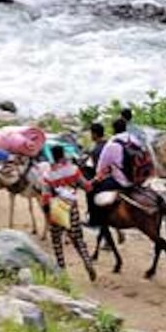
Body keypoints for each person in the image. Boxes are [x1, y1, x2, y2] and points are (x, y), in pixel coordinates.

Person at [40, 145, 97, 281]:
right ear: (63, 155)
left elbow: (45, 198)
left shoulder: (48, 175)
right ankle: (87, 262)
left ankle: (62, 271)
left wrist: (47, 216)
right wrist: (96, 179)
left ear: (52, 157)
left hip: (57, 208)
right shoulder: (74, 170)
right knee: (78, 239)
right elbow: (88, 187)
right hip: (72, 208)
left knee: (57, 241)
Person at [90, 117, 132, 226]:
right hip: (138, 179)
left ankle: (96, 220)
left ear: (113, 129)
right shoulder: (134, 140)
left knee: (94, 190)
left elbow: (100, 170)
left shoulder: (111, 145)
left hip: (122, 181)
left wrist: (95, 181)